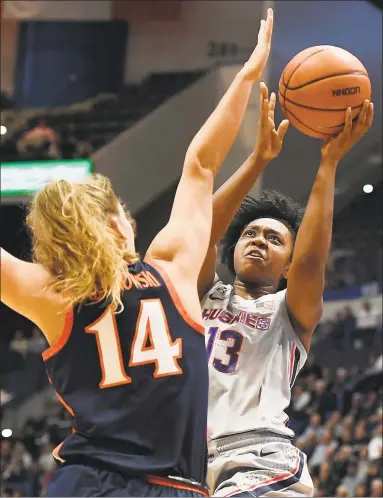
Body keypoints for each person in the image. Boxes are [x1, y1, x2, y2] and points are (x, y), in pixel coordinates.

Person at [0, 9, 275, 497]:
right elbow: (201, 164)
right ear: (117, 223)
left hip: (84, 483)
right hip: (171, 486)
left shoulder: (56, 294)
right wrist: (249, 73)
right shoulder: (171, 269)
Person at [198, 82, 374, 496]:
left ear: (289, 267)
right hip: (184, 462)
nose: (259, 240)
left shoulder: (287, 310)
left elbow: (312, 260)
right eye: (251, 234)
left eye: (274, 239)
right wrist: (258, 160)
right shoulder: (204, 294)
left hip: (259, 458)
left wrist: (328, 165)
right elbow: (201, 229)